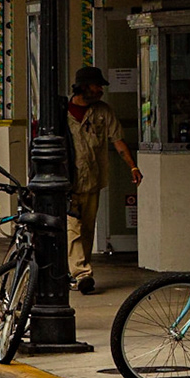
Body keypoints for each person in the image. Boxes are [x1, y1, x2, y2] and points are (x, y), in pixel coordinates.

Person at [65, 66, 141, 295]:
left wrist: (133, 166)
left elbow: (117, 140)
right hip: (68, 183)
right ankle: (82, 273)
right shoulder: (62, 113)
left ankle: (76, 273)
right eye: (96, 85)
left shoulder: (103, 112)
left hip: (93, 181)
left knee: (87, 229)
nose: (100, 90)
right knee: (72, 227)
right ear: (84, 86)